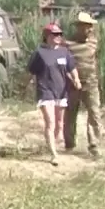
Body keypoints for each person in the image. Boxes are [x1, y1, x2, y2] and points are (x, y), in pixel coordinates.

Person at [27, 22, 82, 166]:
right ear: (47, 36)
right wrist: (26, 85)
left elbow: (72, 68)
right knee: (50, 122)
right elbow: (31, 72)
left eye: (60, 34)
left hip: (61, 91)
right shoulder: (39, 52)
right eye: (55, 34)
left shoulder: (64, 52)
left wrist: (76, 79)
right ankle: (54, 154)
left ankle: (52, 145)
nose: (58, 36)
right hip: (45, 91)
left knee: (59, 124)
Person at [64, 12, 103, 157]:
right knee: (70, 114)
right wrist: (71, 79)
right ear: (79, 27)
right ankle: (69, 144)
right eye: (87, 26)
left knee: (94, 113)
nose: (90, 29)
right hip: (72, 85)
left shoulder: (94, 42)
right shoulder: (68, 44)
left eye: (91, 26)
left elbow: (96, 60)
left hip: (91, 84)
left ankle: (94, 144)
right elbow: (64, 65)